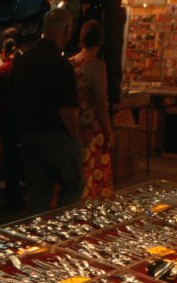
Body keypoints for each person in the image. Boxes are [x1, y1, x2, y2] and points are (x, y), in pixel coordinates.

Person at [11, 7, 84, 212]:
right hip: (56, 135)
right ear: (67, 30)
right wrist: (76, 138)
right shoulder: (61, 64)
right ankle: (62, 232)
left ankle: (39, 237)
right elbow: (67, 110)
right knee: (73, 184)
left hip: (29, 134)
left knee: (38, 195)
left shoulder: (23, 61)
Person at [69, 20, 114, 200]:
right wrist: (109, 131)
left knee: (76, 170)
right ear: (100, 42)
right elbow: (100, 102)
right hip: (92, 127)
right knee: (93, 170)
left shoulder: (71, 62)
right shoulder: (97, 65)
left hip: (73, 123)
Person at [0, 38, 23, 209]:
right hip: (21, 116)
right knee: (19, 156)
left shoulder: (0, 71)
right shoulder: (23, 70)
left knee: (9, 157)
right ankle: (16, 193)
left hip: (5, 117)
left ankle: (12, 193)